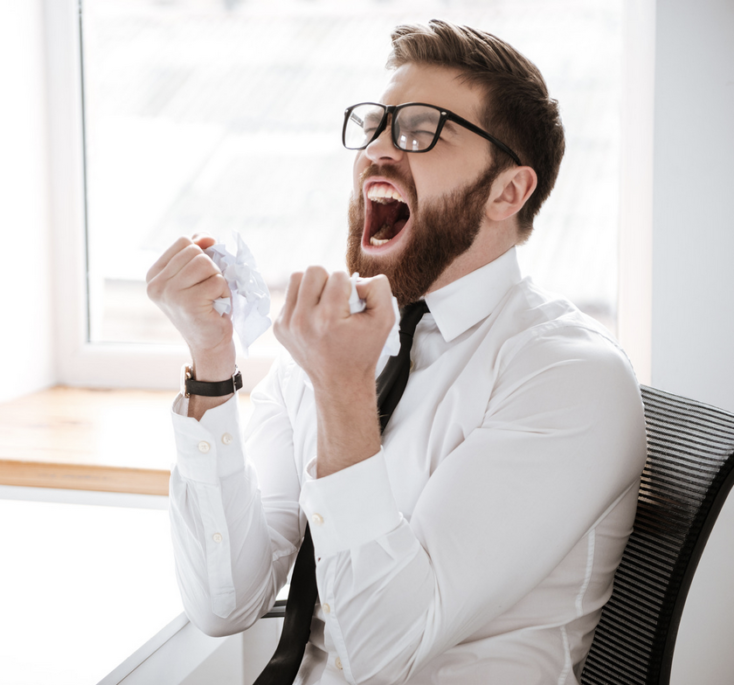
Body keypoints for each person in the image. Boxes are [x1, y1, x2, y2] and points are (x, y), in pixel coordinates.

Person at [145, 19, 646, 685]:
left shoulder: (567, 376)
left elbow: (382, 651)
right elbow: (223, 602)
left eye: (419, 131)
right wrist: (211, 362)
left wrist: (342, 391)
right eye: (376, 126)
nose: (379, 150)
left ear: (508, 191)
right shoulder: (330, 349)